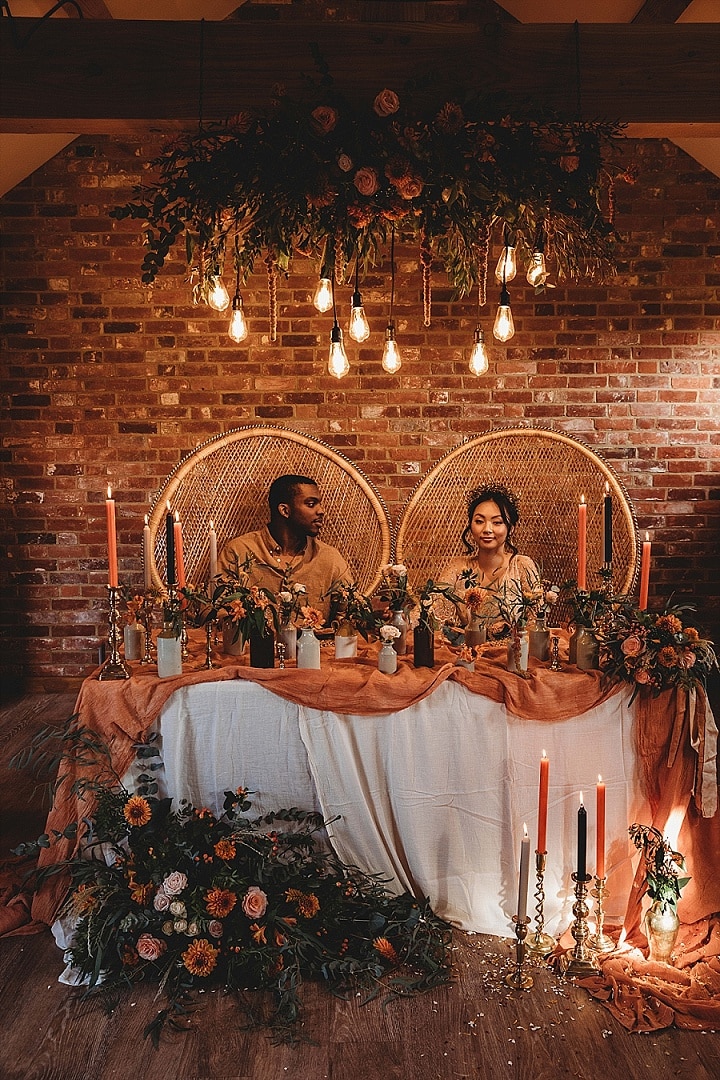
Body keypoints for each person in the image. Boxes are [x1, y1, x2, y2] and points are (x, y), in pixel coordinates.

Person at [217, 474, 352, 622]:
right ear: (285, 511)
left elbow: (353, 611)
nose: (321, 511)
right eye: (311, 504)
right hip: (254, 645)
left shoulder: (329, 558)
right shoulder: (239, 551)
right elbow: (216, 610)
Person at [437, 482, 541, 633]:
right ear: (471, 526)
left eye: (497, 522)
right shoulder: (458, 567)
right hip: (466, 651)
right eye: (479, 521)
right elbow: (430, 610)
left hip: (514, 651)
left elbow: (536, 623)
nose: (487, 529)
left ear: (510, 528)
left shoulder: (522, 565)